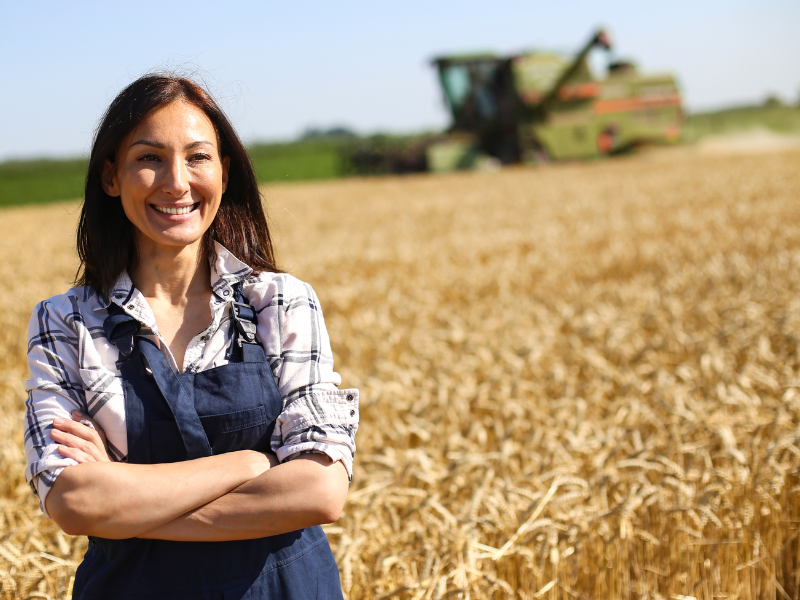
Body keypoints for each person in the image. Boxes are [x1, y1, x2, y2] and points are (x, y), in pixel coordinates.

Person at [23, 74, 359, 599]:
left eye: (197, 157)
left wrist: (127, 502)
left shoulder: (280, 302)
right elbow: (76, 503)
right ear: (111, 177)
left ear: (224, 174)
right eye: (149, 158)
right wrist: (255, 463)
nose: (176, 182)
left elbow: (320, 490)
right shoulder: (65, 322)